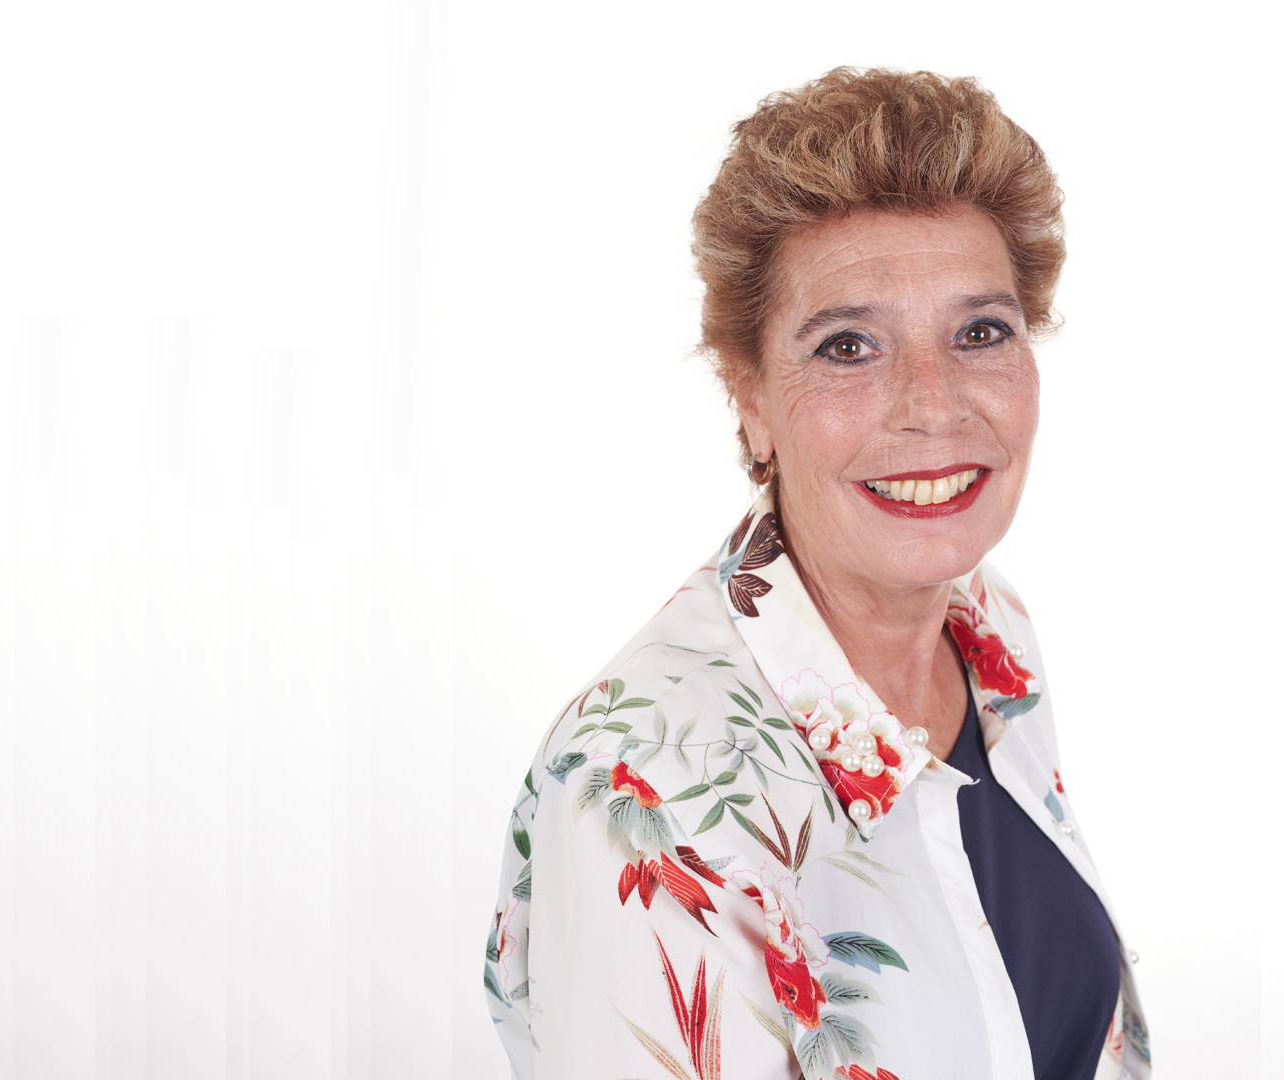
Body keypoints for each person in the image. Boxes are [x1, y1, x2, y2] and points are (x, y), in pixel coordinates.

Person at [485, 67, 1148, 1080]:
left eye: (980, 332)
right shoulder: (643, 795)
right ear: (749, 398)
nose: (934, 404)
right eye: (848, 346)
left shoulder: (986, 623)